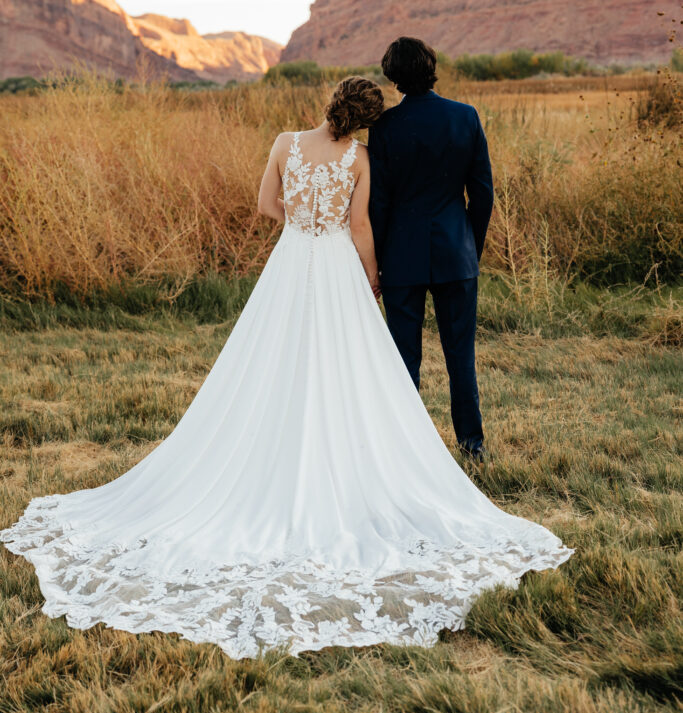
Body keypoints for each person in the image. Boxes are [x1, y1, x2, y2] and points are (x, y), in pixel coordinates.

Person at [0, 75, 572, 659]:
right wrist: (372, 276)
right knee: (346, 366)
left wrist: (298, 226)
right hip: (335, 268)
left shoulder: (284, 142)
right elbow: (359, 227)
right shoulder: (359, 157)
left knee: (267, 361)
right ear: (367, 120)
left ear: (329, 105)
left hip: (291, 255)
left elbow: (264, 204)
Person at [369, 37, 493, 461]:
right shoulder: (465, 117)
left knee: (403, 359)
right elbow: (483, 194)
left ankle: (407, 452)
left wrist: (380, 259)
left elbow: (379, 203)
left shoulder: (383, 128)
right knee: (461, 354)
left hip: (400, 257)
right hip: (456, 253)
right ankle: (471, 446)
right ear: (431, 67)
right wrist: (469, 248)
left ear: (393, 76)